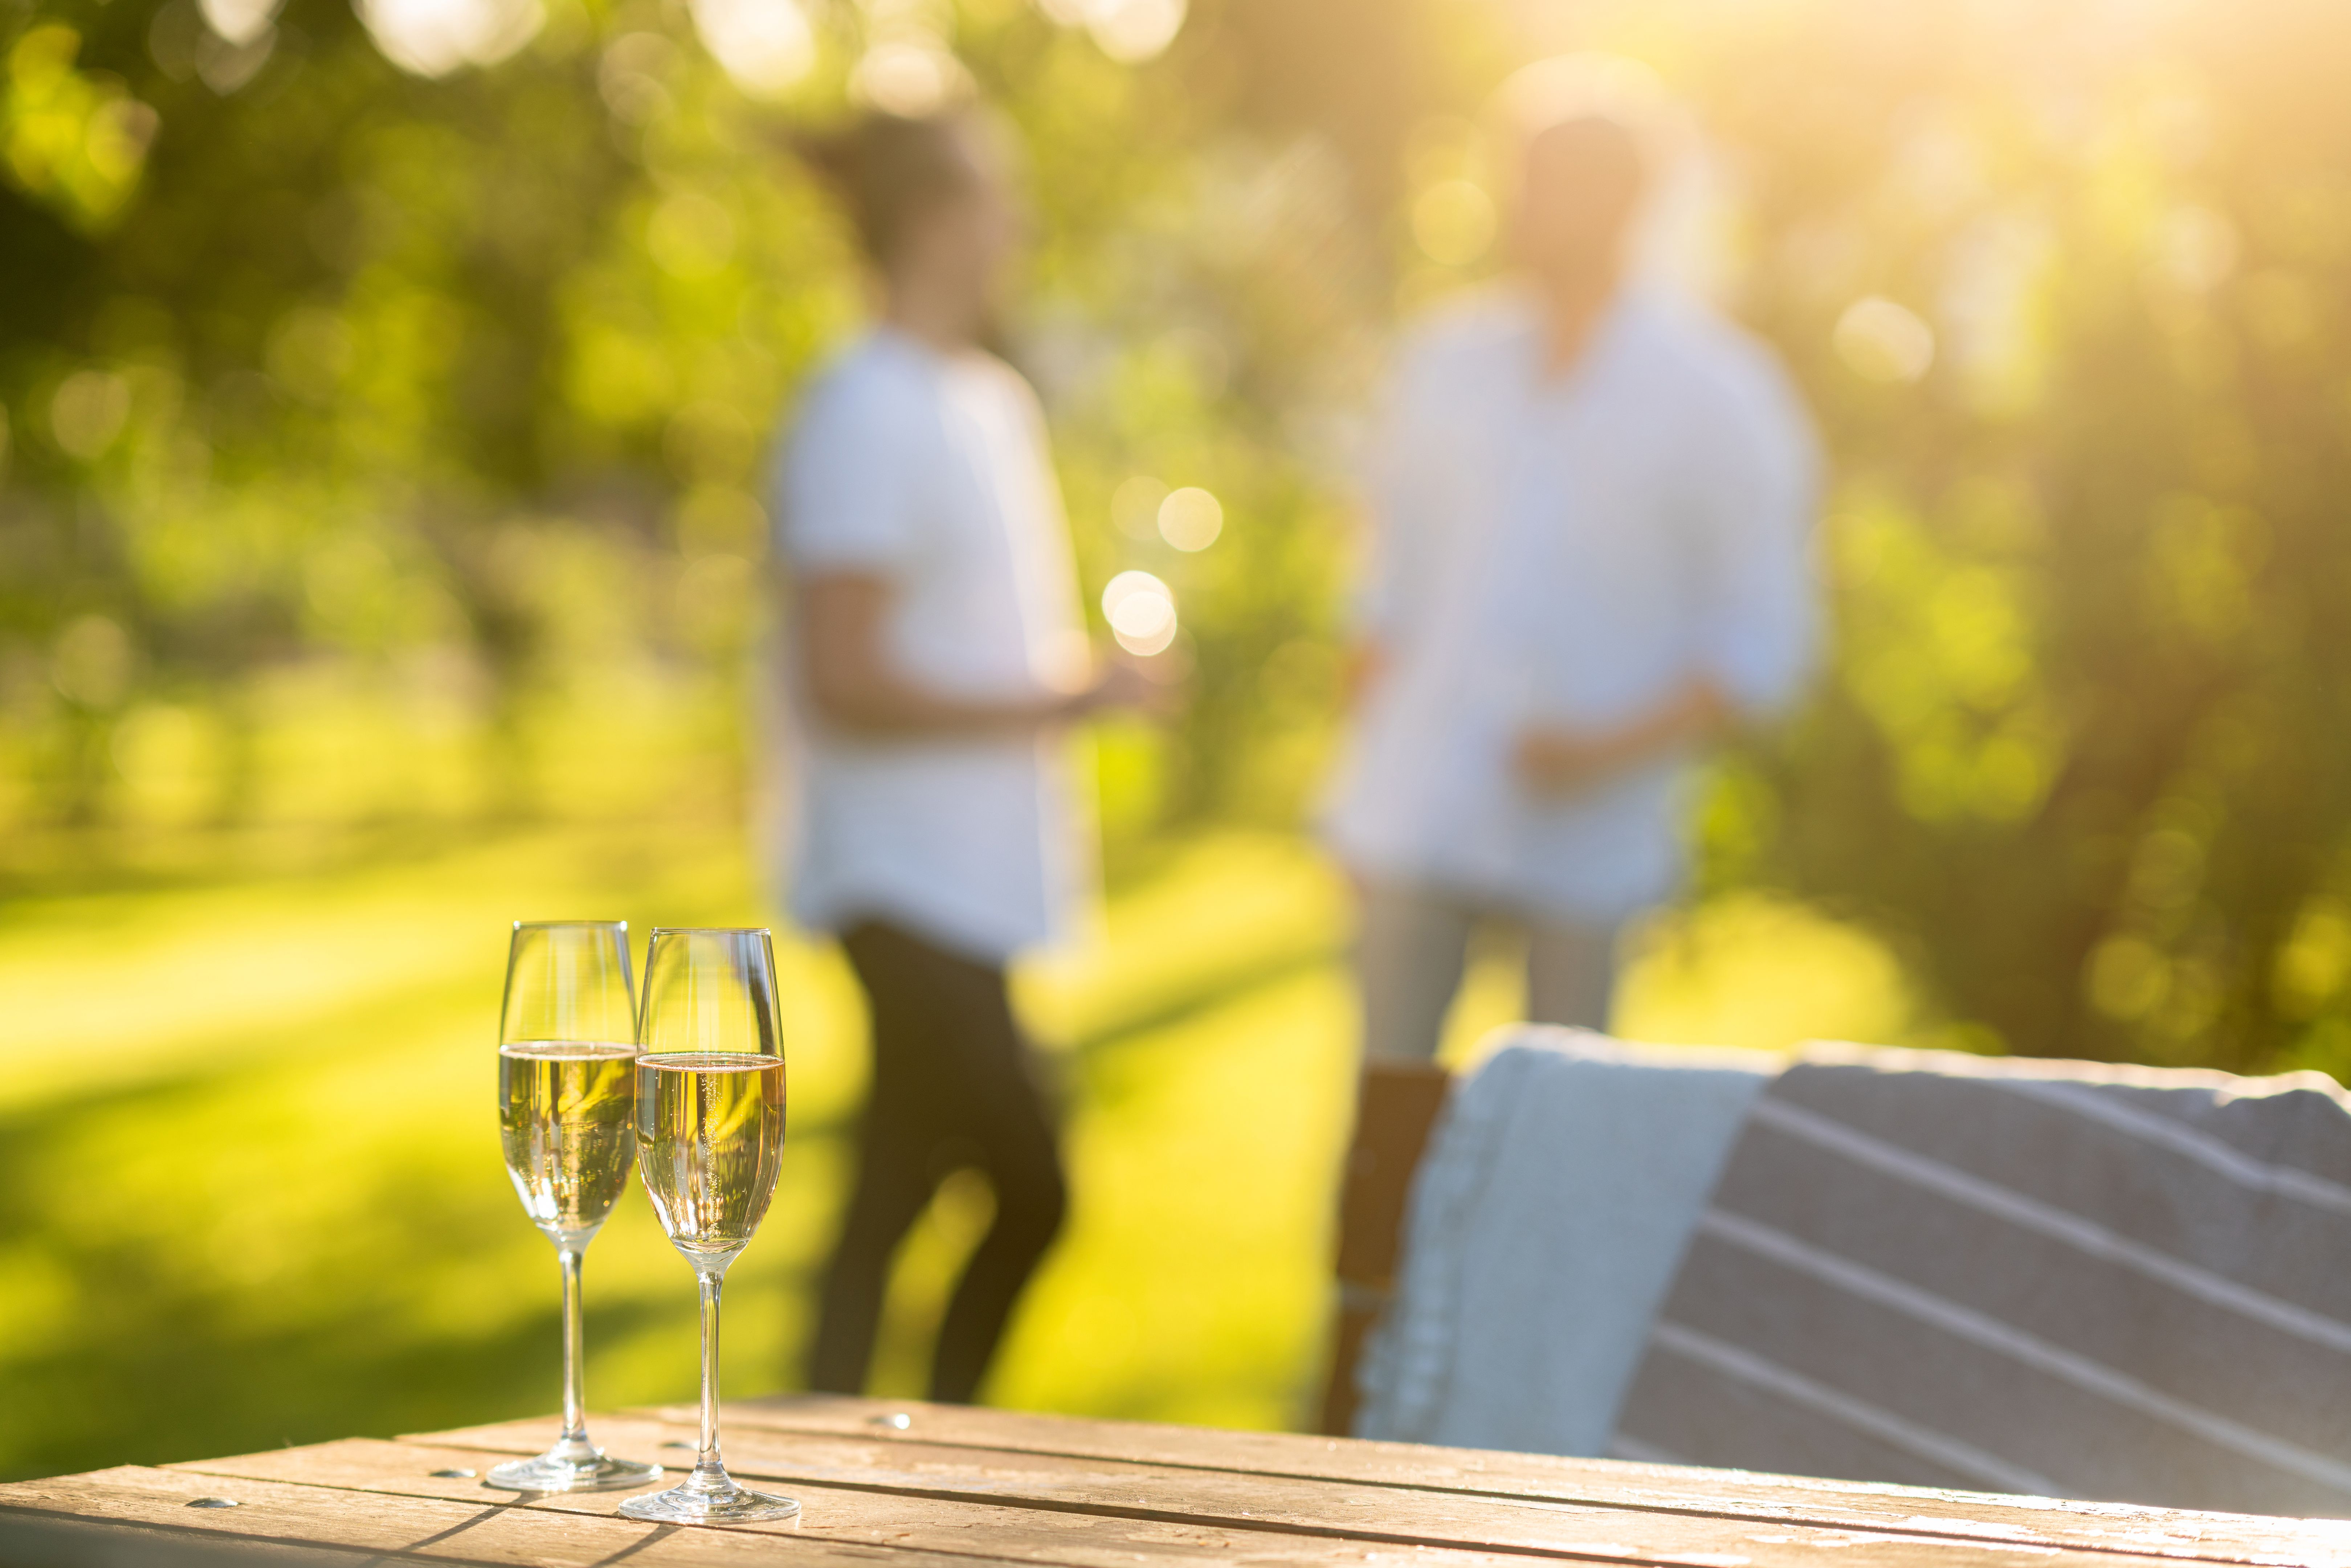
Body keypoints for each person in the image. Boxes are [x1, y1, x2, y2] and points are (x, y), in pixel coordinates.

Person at [772, 106, 1155, 1403]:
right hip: (899, 876)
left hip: (976, 880)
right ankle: (937, 1446)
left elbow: (972, 641)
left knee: (895, 1187)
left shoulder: (988, 402)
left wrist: (1083, 685)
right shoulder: (863, 406)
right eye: (1000, 199)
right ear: (937, 220)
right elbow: (842, 676)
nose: (1018, 228)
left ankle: (827, 1447)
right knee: (1032, 1187)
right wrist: (1065, 697)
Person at [1323, 90, 1819, 1063]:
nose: (1511, 203)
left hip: (1593, 846)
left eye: (1539, 181)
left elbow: (1766, 640)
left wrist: (1604, 748)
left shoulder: (1720, 397)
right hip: (1423, 808)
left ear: (1621, 199)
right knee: (1389, 1109)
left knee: (1564, 1115)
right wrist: (1355, 802)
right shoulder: (1445, 363)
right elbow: (1385, 593)